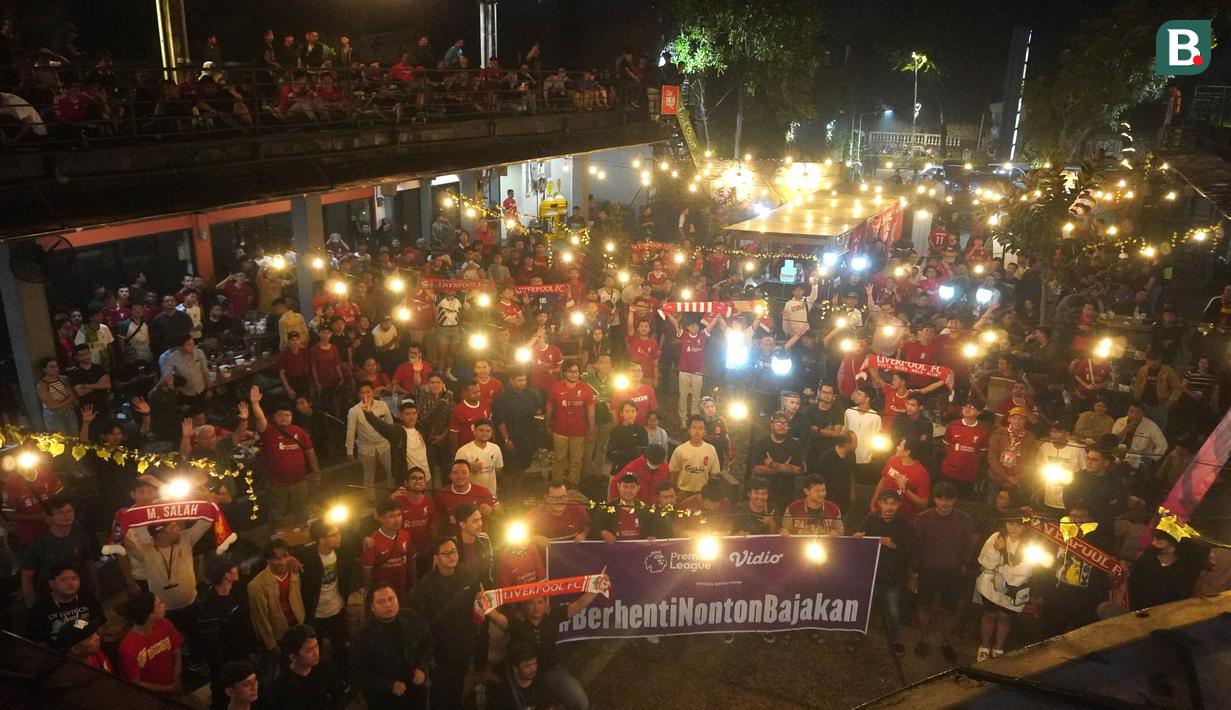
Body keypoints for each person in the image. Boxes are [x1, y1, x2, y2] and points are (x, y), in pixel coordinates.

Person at [484, 576, 606, 710]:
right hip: (522, 673)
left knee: (580, 703)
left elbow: (578, 605)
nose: (536, 607)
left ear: (545, 603)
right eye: (531, 603)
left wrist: (596, 588)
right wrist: (483, 600)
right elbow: (496, 617)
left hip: (550, 669)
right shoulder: (516, 621)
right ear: (524, 605)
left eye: (540, 602)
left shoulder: (552, 615)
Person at [409, 537, 481, 710]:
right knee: (440, 693)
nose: (452, 556)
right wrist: (428, 653)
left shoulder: (466, 574)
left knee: (459, 686)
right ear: (436, 558)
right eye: (446, 553)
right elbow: (420, 623)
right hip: (440, 651)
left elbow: (477, 596)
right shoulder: (425, 587)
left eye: (454, 551)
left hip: (464, 645)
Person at [910, 483, 974, 663]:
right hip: (927, 570)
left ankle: (946, 642)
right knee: (924, 606)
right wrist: (914, 571)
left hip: (953, 572)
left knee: (951, 609)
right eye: (940, 499)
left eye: (949, 499)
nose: (944, 503)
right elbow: (916, 546)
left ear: (955, 500)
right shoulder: (923, 519)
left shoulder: (964, 520)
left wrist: (963, 566)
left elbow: (968, 545)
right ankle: (923, 638)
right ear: (934, 500)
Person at [351, 582, 434, 710]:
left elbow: (427, 642)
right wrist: (389, 685)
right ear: (372, 607)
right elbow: (360, 671)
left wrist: (421, 668)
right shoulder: (364, 634)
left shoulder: (411, 617)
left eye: (391, 599)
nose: (388, 605)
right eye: (381, 602)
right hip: (384, 697)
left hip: (415, 686)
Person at [251, 385, 321, 524]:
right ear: (274, 417)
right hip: (277, 484)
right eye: (280, 415)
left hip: (299, 481)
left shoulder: (299, 431)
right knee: (277, 516)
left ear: (292, 417)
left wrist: (316, 472)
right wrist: (255, 403)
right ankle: (277, 541)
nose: (284, 418)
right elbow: (260, 418)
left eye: (287, 415)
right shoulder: (268, 430)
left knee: (302, 513)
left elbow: (310, 452)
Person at [854, 489, 911, 657]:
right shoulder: (869, 520)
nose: (889, 507)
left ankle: (895, 640)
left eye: (893, 503)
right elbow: (857, 539)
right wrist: (857, 537)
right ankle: (857, 635)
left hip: (892, 577)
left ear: (898, 505)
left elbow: (909, 550)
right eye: (886, 503)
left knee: (892, 611)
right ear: (879, 503)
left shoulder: (904, 525)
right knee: (864, 608)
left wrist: (893, 545)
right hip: (871, 575)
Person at [1046, 502, 1115, 636]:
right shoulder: (1058, 535)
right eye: (1074, 516)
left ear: (1090, 518)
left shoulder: (1099, 540)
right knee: (1054, 629)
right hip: (1060, 591)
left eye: (1082, 516)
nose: (1077, 519)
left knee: (1083, 632)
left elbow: (1109, 564)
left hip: (1086, 596)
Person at [20, 496, 97, 609]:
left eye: (69, 511)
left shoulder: (79, 533)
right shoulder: (39, 544)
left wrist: (96, 588)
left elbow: (89, 562)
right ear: (49, 518)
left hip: (79, 593)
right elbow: (27, 578)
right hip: (51, 599)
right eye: (60, 513)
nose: (66, 516)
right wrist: (32, 607)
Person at [974, 516, 1033, 661]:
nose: (1013, 528)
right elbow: (985, 561)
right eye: (1010, 523)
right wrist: (995, 549)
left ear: (1025, 527)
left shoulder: (1030, 544)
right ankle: (985, 646)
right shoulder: (996, 536)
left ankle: (999, 647)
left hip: (1013, 588)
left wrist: (1002, 571)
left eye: (1018, 525)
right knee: (990, 614)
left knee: (1005, 617)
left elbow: (1025, 571)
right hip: (991, 585)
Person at [296, 520, 353, 670]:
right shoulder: (307, 557)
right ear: (321, 539)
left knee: (340, 647)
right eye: (333, 535)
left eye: (339, 533)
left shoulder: (342, 553)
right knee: (316, 650)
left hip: (337, 608)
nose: (339, 537)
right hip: (316, 613)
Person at [118, 591, 185, 696]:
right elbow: (136, 682)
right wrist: (168, 689)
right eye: (159, 604)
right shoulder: (128, 648)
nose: (164, 605)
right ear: (151, 616)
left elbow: (176, 650)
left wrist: (176, 678)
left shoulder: (165, 624)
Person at [25, 562, 105, 646]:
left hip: (88, 647)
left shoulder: (88, 599)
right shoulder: (41, 609)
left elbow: (100, 624)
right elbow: (35, 642)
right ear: (51, 584)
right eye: (63, 580)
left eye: (74, 579)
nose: (70, 583)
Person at [248, 538, 305, 653]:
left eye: (285, 556)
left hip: (298, 625)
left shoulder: (295, 571)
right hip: (279, 634)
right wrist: (271, 644)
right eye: (277, 558)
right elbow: (260, 618)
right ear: (268, 560)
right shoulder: (257, 585)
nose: (283, 561)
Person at [272, 624, 345, 709]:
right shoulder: (283, 684)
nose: (316, 653)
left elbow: (338, 695)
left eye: (316, 646)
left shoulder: (324, 667)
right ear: (293, 657)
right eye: (309, 650)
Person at [546, 362, 596, 485]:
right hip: (560, 430)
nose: (573, 374)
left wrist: (592, 430)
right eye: (570, 371)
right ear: (564, 373)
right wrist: (547, 425)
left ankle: (573, 487)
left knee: (576, 461)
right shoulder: (556, 387)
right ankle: (557, 486)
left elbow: (591, 412)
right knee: (559, 459)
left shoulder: (586, 388)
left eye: (576, 371)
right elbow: (549, 408)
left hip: (579, 431)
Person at [746, 412, 805, 509]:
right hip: (764, 493)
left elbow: (798, 470)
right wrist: (783, 468)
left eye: (785, 423)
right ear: (771, 425)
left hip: (787, 493)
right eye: (778, 422)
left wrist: (774, 464)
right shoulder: (761, 444)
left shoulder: (794, 445)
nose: (782, 425)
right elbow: (756, 468)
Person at [347, 383, 395, 495]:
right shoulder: (354, 410)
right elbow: (350, 432)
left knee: (391, 471)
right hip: (366, 447)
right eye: (363, 392)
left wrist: (393, 441)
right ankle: (370, 498)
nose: (366, 395)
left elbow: (390, 423)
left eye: (368, 391)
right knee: (368, 474)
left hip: (384, 444)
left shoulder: (382, 405)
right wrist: (349, 451)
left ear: (372, 391)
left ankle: (393, 493)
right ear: (359, 395)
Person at [362, 499, 415, 600]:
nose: (397, 520)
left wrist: (414, 583)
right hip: (383, 593)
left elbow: (411, 561)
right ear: (380, 518)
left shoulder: (405, 535)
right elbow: (367, 571)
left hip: (402, 589)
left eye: (399, 515)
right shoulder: (372, 541)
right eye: (391, 516)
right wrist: (369, 591)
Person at [390, 468, 438, 578]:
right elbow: (377, 516)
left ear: (425, 484)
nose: (417, 481)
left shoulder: (429, 501)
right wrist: (390, 498)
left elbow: (433, 527)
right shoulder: (397, 501)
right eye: (413, 478)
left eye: (421, 478)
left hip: (425, 552)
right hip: (404, 553)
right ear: (406, 483)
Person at [939, 399, 990, 499]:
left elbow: (982, 453)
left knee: (964, 501)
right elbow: (947, 445)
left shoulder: (983, 431)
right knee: (946, 498)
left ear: (978, 412)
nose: (967, 409)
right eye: (966, 406)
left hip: (968, 475)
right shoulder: (953, 425)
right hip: (949, 472)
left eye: (972, 407)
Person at [986, 407, 1037, 504]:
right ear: (1009, 419)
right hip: (996, 478)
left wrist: (1018, 477)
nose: (1017, 421)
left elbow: (1031, 462)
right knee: (992, 506)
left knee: (1015, 507)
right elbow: (992, 457)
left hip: (1018, 480)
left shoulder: (1030, 437)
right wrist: (1006, 477)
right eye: (1014, 418)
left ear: (1025, 421)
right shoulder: (999, 433)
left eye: (1020, 418)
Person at [871, 439, 932, 520]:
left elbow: (923, 504)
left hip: (903, 518)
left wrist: (905, 489)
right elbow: (883, 481)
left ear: (907, 452)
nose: (897, 447)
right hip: (883, 512)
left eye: (900, 445)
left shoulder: (921, 474)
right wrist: (874, 502)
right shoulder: (892, 460)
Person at [434, 459, 499, 534]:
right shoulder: (442, 495)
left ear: (470, 474)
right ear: (450, 476)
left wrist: (492, 511)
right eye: (455, 473)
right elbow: (438, 522)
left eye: (464, 472)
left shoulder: (483, 492)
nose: (460, 476)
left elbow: (500, 514)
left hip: (479, 540)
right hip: (453, 541)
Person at [1037, 421, 1086, 516]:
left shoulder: (1076, 449)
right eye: (1053, 431)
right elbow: (1039, 465)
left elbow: (1084, 470)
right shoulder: (1045, 447)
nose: (1055, 435)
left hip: (1069, 494)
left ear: (1067, 434)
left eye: (1059, 432)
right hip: (1049, 494)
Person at [591, 472, 656, 541]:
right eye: (625, 486)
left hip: (638, 550)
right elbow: (593, 530)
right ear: (618, 486)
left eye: (632, 487)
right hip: (613, 551)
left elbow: (653, 531)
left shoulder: (645, 510)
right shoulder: (605, 508)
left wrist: (652, 537)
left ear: (638, 488)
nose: (628, 490)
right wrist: (602, 533)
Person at [670, 415, 722, 497]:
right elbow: (673, 473)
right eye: (694, 428)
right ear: (689, 430)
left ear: (705, 431)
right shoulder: (680, 450)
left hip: (702, 494)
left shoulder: (711, 449)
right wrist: (676, 491)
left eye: (700, 428)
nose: (697, 431)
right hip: (683, 492)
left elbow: (714, 474)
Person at [1133, 350, 1183, 432]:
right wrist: (1137, 399)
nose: (1153, 363)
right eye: (1150, 360)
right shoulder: (1143, 370)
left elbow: (1177, 388)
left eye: (1155, 360)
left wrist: (1170, 402)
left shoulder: (1168, 371)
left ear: (1160, 359)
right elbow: (1138, 385)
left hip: (1160, 405)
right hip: (1144, 404)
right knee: (1141, 429)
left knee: (1158, 430)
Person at [526, 480, 592, 541]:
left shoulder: (577, 509)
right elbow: (521, 536)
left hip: (574, 551)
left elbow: (587, 526)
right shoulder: (534, 515)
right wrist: (534, 539)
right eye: (554, 498)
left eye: (562, 497)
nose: (559, 501)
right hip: (544, 552)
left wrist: (583, 534)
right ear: (546, 498)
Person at [455, 419, 505, 496]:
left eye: (488, 431)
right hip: (471, 495)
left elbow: (498, 469)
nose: (485, 433)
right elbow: (457, 476)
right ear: (474, 431)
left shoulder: (496, 448)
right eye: (481, 430)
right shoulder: (463, 451)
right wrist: (471, 468)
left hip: (491, 494)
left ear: (491, 432)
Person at [845, 386, 883, 473]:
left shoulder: (875, 416)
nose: (855, 396)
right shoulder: (849, 411)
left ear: (867, 399)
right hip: (849, 455)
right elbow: (845, 431)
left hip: (866, 458)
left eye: (859, 394)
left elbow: (877, 437)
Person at [607, 400, 649, 476]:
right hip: (618, 469)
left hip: (637, 470)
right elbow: (611, 453)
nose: (630, 414)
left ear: (636, 413)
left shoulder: (641, 430)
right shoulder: (616, 431)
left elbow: (644, 452)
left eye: (633, 411)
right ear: (621, 413)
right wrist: (634, 451)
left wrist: (625, 452)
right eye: (627, 411)